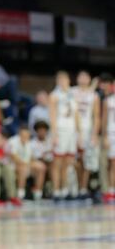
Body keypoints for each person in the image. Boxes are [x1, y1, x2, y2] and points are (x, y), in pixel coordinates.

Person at [49, 71, 79, 201]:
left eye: (64, 79)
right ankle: (56, 191)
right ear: (57, 82)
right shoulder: (54, 95)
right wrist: (54, 134)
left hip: (71, 131)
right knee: (57, 162)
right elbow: (52, 115)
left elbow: (76, 115)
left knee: (68, 162)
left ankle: (65, 189)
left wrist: (80, 133)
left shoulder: (73, 95)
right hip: (60, 131)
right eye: (60, 80)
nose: (62, 82)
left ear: (68, 81)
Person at [72, 70, 100, 199]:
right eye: (81, 76)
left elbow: (97, 116)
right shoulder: (71, 92)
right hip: (73, 131)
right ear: (77, 78)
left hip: (87, 131)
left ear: (89, 79)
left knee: (87, 161)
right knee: (74, 160)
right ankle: (74, 188)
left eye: (86, 76)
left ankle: (83, 188)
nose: (83, 78)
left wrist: (94, 134)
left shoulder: (93, 95)